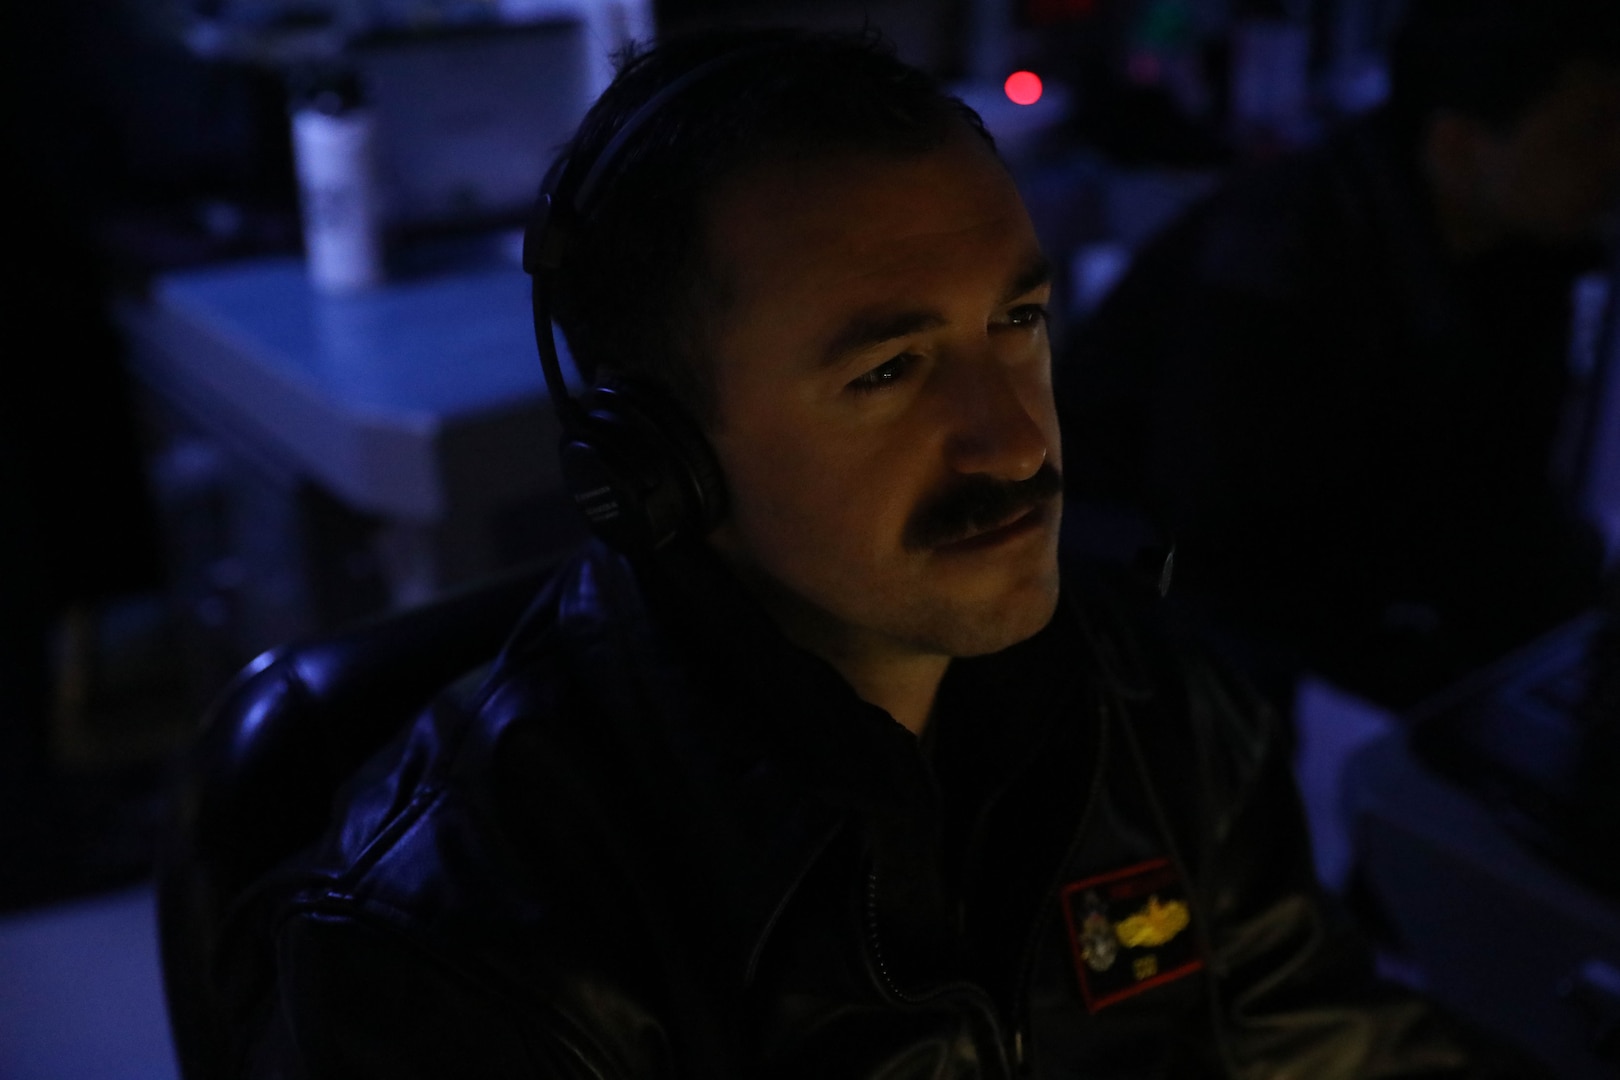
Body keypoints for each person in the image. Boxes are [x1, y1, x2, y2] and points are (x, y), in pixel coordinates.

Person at [228, 28, 1508, 1078]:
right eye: (888, 371)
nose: (1013, 443)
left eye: (1017, 321)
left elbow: (1317, 1041)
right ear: (655, 464)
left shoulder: (1160, 702)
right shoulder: (452, 945)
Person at [1060, 0, 1620, 709]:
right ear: (1457, 143)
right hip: (1144, 572)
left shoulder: (1524, 256)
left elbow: (1499, 492)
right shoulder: (1278, 258)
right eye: (1591, 127)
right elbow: (1223, 535)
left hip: (1295, 581)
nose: (1613, 158)